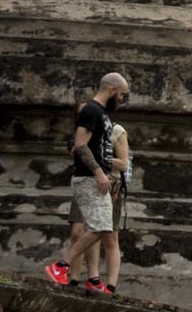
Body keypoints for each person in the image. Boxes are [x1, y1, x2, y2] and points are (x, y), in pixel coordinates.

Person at [42, 72, 128, 294]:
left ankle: (92, 279)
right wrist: (99, 173)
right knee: (100, 227)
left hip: (100, 179)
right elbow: (80, 145)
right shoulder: (91, 110)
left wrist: (108, 178)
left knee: (102, 227)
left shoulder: (102, 115)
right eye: (121, 94)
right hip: (89, 178)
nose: (121, 99)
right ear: (111, 90)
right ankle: (61, 266)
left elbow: (104, 151)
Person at [84, 119, 131, 294]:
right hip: (90, 187)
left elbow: (123, 164)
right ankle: (93, 279)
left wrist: (98, 159)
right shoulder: (85, 130)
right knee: (92, 233)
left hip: (112, 187)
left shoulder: (117, 130)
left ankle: (111, 286)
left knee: (110, 237)